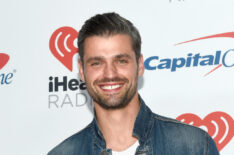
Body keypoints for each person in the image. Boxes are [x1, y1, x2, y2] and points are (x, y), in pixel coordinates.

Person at [48, 12, 219, 155]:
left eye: (121, 61)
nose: (110, 74)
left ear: (140, 65)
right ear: (82, 70)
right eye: (97, 63)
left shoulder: (193, 147)